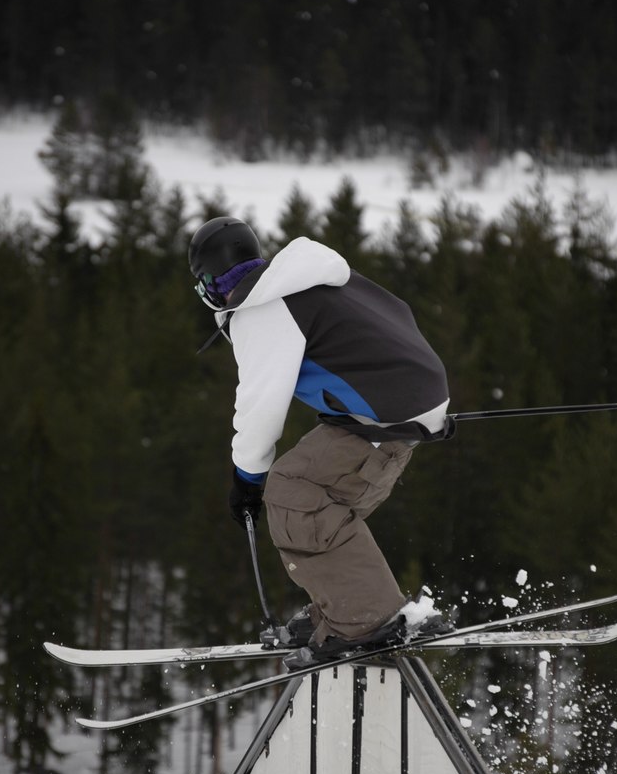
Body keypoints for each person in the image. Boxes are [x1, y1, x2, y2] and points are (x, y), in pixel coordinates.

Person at [189, 216, 454, 668]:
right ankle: (343, 604)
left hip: (379, 416)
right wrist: (428, 408)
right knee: (321, 499)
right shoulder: (315, 280)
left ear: (211, 285)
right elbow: (398, 317)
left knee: (293, 493)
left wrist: (247, 478)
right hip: (397, 406)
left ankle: (369, 618)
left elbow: (260, 405)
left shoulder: (263, 307)